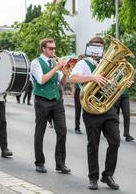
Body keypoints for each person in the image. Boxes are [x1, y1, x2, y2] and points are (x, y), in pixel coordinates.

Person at [70, 36, 122, 191]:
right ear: (89, 48)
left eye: (100, 47)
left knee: (115, 141)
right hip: (91, 109)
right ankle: (93, 177)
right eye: (94, 47)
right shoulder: (83, 63)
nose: (97, 50)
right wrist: (92, 77)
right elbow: (73, 78)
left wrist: (121, 84)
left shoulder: (109, 64)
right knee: (93, 145)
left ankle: (108, 175)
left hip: (108, 109)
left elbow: (113, 85)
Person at [31, 38, 70, 174]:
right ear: (43, 49)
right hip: (42, 100)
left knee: (62, 131)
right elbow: (41, 80)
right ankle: (39, 162)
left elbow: (63, 82)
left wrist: (65, 73)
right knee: (40, 132)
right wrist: (56, 68)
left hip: (56, 100)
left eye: (54, 48)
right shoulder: (36, 62)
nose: (53, 51)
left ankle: (60, 163)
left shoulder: (54, 63)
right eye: (50, 48)